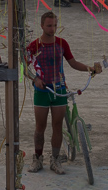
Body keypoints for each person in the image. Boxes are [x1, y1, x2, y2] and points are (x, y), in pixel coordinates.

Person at [26, 11, 102, 174]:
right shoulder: (33, 46)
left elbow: (73, 63)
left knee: (57, 126)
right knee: (40, 126)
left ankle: (55, 159)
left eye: (54, 25)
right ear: (41, 26)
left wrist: (90, 69)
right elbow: (24, 68)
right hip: (42, 90)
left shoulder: (62, 43)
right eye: (49, 25)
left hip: (59, 89)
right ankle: (37, 158)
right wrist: (34, 79)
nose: (52, 29)